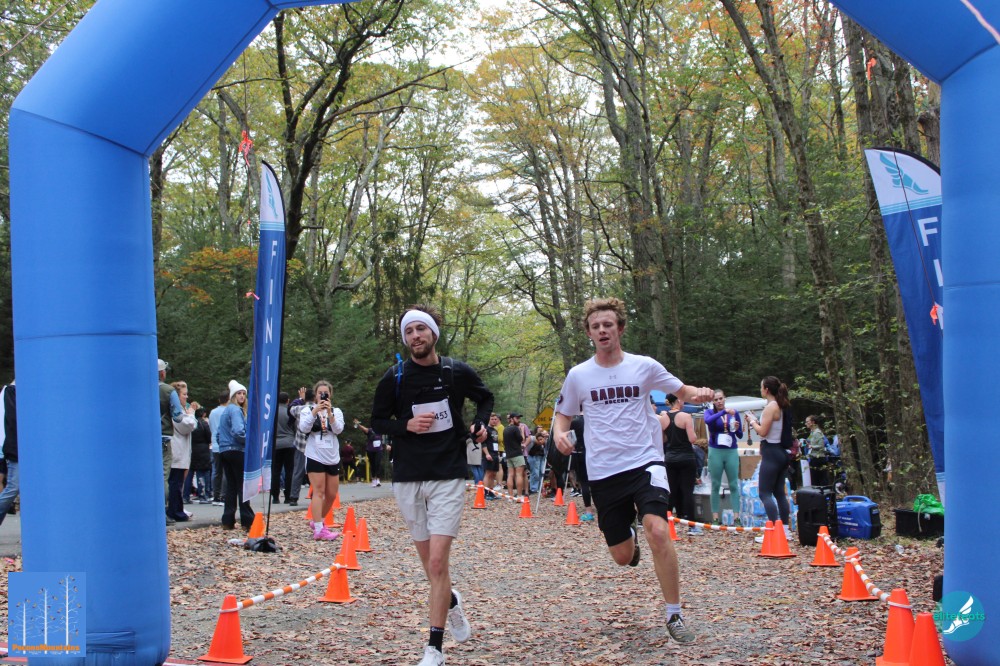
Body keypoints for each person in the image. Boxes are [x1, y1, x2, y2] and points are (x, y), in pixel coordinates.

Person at [552, 297, 712, 644]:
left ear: (620, 328)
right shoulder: (579, 375)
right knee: (622, 557)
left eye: (608, 324)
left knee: (658, 529)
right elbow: (562, 415)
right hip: (604, 471)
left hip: (645, 461)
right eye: (595, 326)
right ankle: (629, 537)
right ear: (589, 333)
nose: (602, 330)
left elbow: (682, 391)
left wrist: (701, 394)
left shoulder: (644, 366)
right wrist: (559, 434)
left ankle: (674, 614)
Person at [371, 304, 494, 666]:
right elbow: (377, 421)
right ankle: (450, 600)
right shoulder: (395, 377)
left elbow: (485, 397)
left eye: (421, 329)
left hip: (448, 472)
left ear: (434, 333)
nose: (415, 336)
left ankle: (434, 648)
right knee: (431, 567)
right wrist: (405, 425)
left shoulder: (454, 371)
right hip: (408, 475)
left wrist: (480, 423)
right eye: (409, 331)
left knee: (438, 561)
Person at [745, 376, 794, 541]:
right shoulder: (781, 405)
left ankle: (774, 531)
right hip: (781, 452)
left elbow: (763, 432)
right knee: (779, 493)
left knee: (764, 493)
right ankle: (785, 531)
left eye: (761, 387)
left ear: (766, 389)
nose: (760, 390)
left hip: (771, 452)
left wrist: (752, 421)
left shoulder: (770, 407)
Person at [297, 380, 344, 541]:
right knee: (318, 491)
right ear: (315, 395)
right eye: (320, 393)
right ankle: (319, 529)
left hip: (332, 456)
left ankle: (318, 520)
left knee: (331, 494)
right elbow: (303, 428)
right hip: (315, 454)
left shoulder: (336, 411)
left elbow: (339, 429)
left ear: (330, 395)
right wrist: (315, 412)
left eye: (326, 393)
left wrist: (329, 414)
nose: (323, 395)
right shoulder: (307, 410)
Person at [660, 394, 701, 536]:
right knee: (687, 491)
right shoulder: (685, 416)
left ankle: (666, 523)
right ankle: (692, 525)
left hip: (670, 458)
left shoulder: (663, 418)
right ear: (678, 400)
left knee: (671, 491)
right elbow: (692, 439)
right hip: (686, 457)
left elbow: (663, 439)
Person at [218, 380, 255, 531]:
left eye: (244, 394)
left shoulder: (226, 410)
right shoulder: (235, 410)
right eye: (239, 393)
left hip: (225, 450)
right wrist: (250, 441)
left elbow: (219, 433)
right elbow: (238, 431)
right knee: (242, 486)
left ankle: (228, 520)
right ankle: (247, 520)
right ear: (233, 395)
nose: (242, 396)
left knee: (231, 486)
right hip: (236, 449)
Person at [703, 390, 743, 524]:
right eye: (716, 400)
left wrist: (737, 428)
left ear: (725, 398)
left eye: (721, 398)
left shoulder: (734, 412)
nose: (719, 401)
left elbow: (740, 435)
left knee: (733, 484)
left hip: (731, 450)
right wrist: (724, 412)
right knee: (715, 484)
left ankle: (736, 517)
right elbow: (708, 421)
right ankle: (715, 517)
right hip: (716, 450)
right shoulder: (710, 412)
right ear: (713, 402)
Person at [167, 381, 198, 522]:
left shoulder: (179, 410)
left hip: (180, 451)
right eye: (184, 394)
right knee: (176, 483)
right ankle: (176, 511)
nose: (187, 397)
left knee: (178, 482)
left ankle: (177, 509)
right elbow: (188, 425)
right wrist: (191, 414)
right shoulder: (176, 411)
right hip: (177, 451)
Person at [158, 359, 184, 524]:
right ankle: (162, 511)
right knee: (163, 475)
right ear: (162, 373)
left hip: (143, 438)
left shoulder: (140, 389)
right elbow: (178, 416)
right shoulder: (169, 391)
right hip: (163, 437)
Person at [271, 392, 297, 504]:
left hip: (276, 444)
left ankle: (275, 496)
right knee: (289, 470)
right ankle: (288, 496)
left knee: (276, 471)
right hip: (289, 443)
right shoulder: (290, 412)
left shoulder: (273, 412)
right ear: (288, 401)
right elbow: (295, 427)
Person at [569, 415, 594, 521]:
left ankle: (589, 511)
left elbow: (570, 438)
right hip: (595, 452)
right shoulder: (594, 418)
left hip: (580, 452)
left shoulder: (574, 422)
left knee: (584, 482)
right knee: (598, 481)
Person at [0, 380, 17, 526]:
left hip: (16, 449)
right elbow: (14, 421)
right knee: (13, 488)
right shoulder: (12, 391)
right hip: (16, 449)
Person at [208, 389, 229, 506]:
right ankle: (224, 495)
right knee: (226, 471)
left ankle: (216, 495)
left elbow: (211, 427)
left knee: (216, 471)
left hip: (215, 445)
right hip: (225, 444)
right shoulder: (228, 411)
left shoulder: (213, 412)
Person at [188, 407, 213, 504]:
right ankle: (205, 494)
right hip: (203, 449)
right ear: (203, 414)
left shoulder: (193, 424)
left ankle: (188, 495)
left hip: (193, 449)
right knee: (204, 472)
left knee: (193, 472)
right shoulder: (204, 424)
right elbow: (209, 437)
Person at [504, 414, 527, 499]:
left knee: (510, 475)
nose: (519, 420)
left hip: (509, 455)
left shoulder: (505, 429)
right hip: (517, 454)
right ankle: (519, 496)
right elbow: (522, 440)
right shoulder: (515, 428)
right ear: (512, 419)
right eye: (517, 418)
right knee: (519, 474)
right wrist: (521, 431)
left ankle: (510, 496)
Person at [355, 420, 385, 487]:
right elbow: (364, 429)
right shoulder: (370, 430)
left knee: (378, 463)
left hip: (379, 450)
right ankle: (373, 479)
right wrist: (358, 425)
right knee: (373, 464)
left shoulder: (381, 430)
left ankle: (378, 480)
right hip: (370, 450)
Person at [804, 415, 830, 487]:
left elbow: (821, 446)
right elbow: (808, 441)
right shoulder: (812, 432)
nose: (806, 424)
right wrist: (804, 443)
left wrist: (811, 446)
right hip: (813, 458)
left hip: (819, 458)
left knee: (821, 479)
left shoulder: (817, 432)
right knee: (814, 480)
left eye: (807, 422)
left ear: (813, 422)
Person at [480, 414, 501, 498]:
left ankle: (491, 492)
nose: (494, 421)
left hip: (495, 454)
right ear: (489, 420)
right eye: (492, 419)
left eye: (495, 419)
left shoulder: (495, 430)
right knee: (488, 473)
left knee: (493, 474)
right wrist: (487, 454)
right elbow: (483, 443)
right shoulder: (486, 429)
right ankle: (485, 492)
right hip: (489, 454)